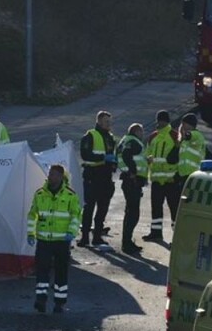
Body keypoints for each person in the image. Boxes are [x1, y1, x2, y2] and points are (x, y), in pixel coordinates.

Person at [27, 164, 81, 313]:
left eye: (54, 174)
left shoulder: (70, 195)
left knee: (61, 272)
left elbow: (75, 215)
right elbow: (33, 215)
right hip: (44, 240)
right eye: (50, 174)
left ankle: (60, 302)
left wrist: (71, 232)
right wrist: (31, 233)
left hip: (62, 241)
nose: (51, 177)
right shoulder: (39, 194)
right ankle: (41, 299)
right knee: (42, 270)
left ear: (61, 177)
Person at [78, 111, 117, 248]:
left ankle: (97, 237)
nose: (109, 124)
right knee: (89, 208)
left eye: (109, 121)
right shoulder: (90, 136)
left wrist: (114, 163)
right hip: (92, 176)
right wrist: (102, 158)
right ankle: (84, 238)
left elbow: (112, 155)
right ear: (99, 121)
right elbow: (85, 154)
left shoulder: (110, 138)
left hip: (105, 177)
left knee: (103, 208)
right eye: (106, 121)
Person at [143, 110, 181, 242]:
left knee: (174, 209)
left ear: (166, 121)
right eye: (158, 120)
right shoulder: (153, 137)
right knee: (156, 209)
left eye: (161, 120)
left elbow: (179, 157)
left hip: (171, 180)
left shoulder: (175, 136)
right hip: (157, 180)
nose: (159, 123)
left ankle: (176, 236)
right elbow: (147, 155)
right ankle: (156, 233)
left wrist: (177, 176)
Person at [116, 123, 147, 255]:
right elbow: (127, 156)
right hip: (132, 181)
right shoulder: (134, 142)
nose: (142, 134)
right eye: (141, 131)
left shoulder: (124, 140)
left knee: (130, 212)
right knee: (133, 213)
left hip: (129, 180)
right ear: (137, 131)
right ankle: (127, 243)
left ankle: (127, 241)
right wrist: (133, 171)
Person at [177, 113, 207, 187]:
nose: (182, 126)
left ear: (190, 124)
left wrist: (181, 132)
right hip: (184, 174)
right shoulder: (185, 142)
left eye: (184, 124)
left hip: (194, 173)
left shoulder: (197, 135)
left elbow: (189, 135)